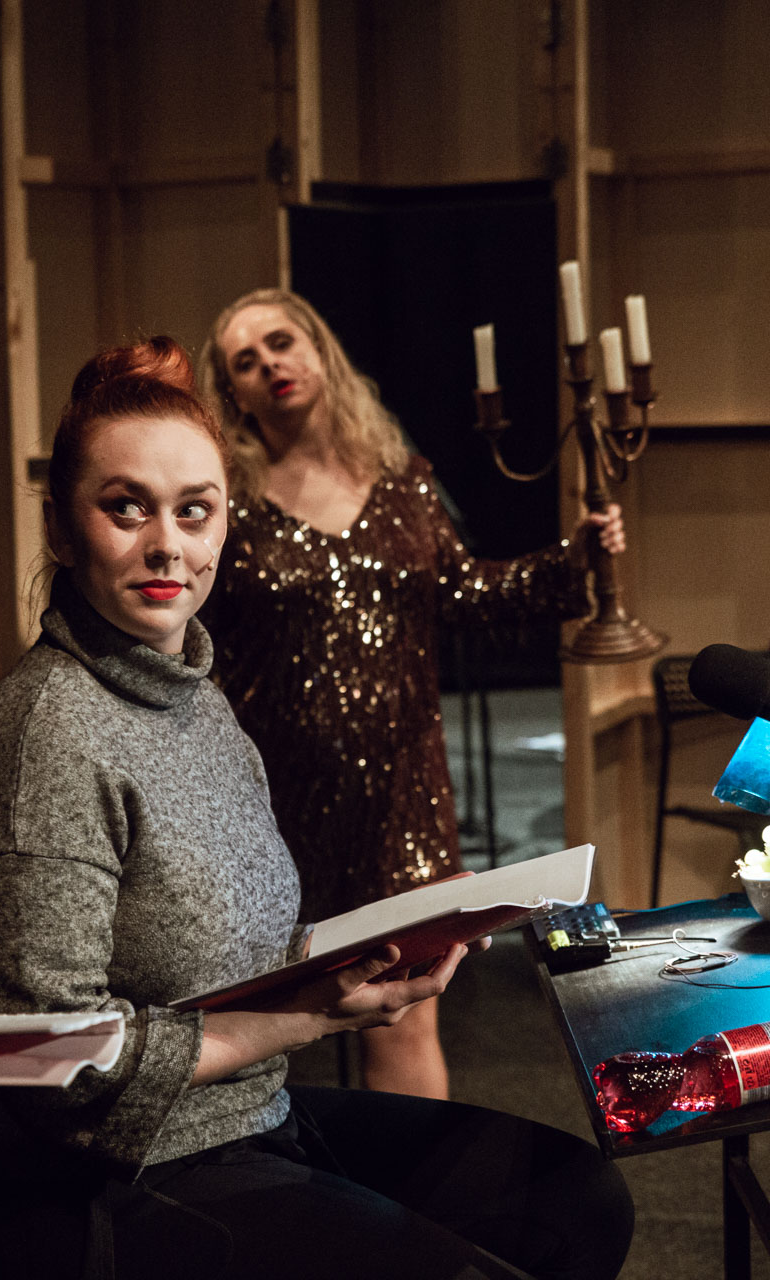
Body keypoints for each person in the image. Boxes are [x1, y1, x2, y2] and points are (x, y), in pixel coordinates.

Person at [0, 337, 633, 1279]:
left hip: (248, 1115)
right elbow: (58, 1060)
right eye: (125, 508)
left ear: (227, 525)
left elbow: (227, 944)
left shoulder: (198, 697)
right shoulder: (44, 736)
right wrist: (308, 1017)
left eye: (194, 510)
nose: (166, 545)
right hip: (103, 1181)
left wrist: (398, 934)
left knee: (578, 1202)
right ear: (61, 528)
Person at [195, 288, 625, 1099]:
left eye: (281, 342)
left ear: (319, 351)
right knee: (276, 1017)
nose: (269, 365)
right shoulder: (227, 506)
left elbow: (465, 594)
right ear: (233, 393)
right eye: (244, 362)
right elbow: (199, 641)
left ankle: (413, 1177)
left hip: (402, 797)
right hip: (280, 802)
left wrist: (575, 559)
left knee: (405, 1005)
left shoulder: (400, 480)